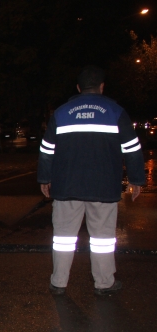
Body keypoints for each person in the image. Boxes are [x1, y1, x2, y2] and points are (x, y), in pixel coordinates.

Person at [37, 65, 145, 296]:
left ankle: (59, 282)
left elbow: (46, 150)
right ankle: (104, 284)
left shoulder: (61, 113)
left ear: (78, 88)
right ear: (102, 87)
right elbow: (132, 149)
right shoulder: (115, 111)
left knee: (63, 237)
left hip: (66, 186)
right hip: (103, 186)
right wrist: (136, 180)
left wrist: (45, 178)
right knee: (103, 238)